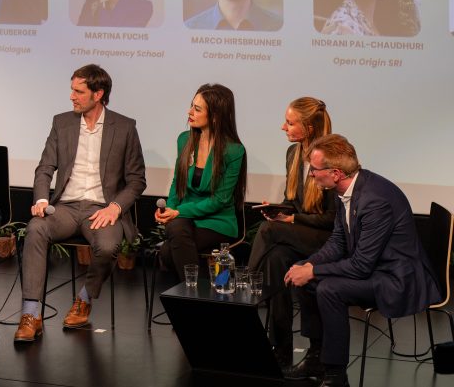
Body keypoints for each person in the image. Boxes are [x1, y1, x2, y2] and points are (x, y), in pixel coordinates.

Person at [283, 134, 440, 387]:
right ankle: (316, 357)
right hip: (374, 268)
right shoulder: (346, 190)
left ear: (335, 173)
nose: (310, 174)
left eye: (314, 169)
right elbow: (338, 242)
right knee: (306, 276)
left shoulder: (375, 200)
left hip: (396, 278)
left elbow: (361, 266)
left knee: (328, 288)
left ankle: (335, 375)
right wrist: (309, 265)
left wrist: (314, 272)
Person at [14, 64, 146, 343]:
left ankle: (84, 299)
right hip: (65, 207)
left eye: (79, 91)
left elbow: (136, 180)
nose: (71, 96)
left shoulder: (124, 127)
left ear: (98, 94)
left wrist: (115, 208)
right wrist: (41, 199)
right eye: (72, 90)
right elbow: (45, 168)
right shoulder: (61, 123)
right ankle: (30, 314)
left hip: (102, 208)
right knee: (36, 228)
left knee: (108, 246)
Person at [248, 98, 336, 367]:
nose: (283, 127)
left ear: (308, 128)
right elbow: (294, 203)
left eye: (289, 122)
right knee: (276, 260)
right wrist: (279, 210)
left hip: (328, 239)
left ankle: (246, 288)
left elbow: (332, 219)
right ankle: (282, 347)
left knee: (269, 230)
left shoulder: (331, 156)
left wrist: (292, 218)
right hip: (302, 233)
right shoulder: (293, 154)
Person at [155, 83, 246, 282]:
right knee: (176, 230)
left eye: (197, 109)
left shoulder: (234, 150)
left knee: (169, 251)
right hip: (184, 218)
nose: (189, 112)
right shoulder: (184, 139)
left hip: (216, 221)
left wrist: (178, 212)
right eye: (191, 106)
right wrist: (170, 209)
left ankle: (192, 292)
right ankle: (198, 293)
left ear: (215, 116)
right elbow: (177, 183)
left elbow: (220, 200)